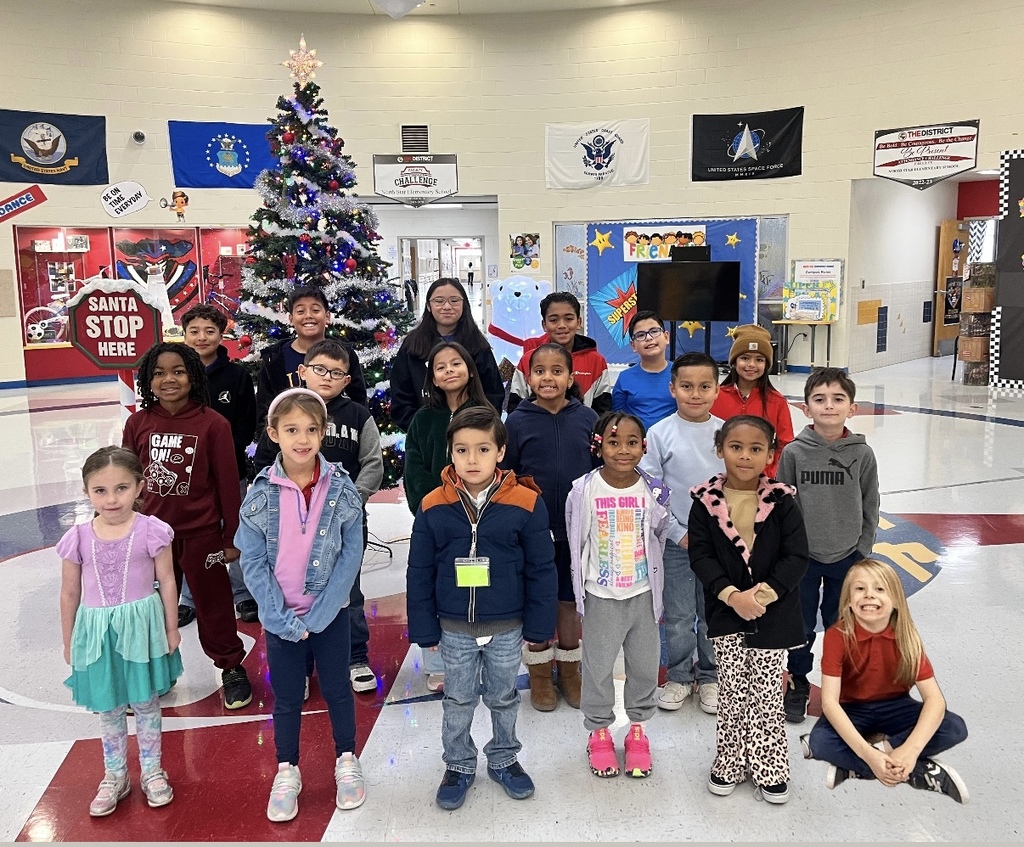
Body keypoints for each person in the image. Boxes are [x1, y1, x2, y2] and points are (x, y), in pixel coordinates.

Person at [406, 406, 557, 811]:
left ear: (500, 452)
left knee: (503, 696)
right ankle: (458, 764)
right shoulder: (433, 504)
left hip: (507, 625)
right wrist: (425, 630)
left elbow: (542, 568)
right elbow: (418, 571)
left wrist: (540, 624)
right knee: (457, 699)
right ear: (450, 454)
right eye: (461, 450)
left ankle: (504, 758)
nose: (472, 460)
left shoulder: (526, 502)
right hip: (454, 626)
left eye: (483, 449)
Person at [236, 388, 368, 822]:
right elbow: (252, 560)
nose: (302, 438)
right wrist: (278, 617)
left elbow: (352, 550)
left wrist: (326, 609)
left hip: (328, 616)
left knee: (336, 689)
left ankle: (346, 758)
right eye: (291, 429)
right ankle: (287, 767)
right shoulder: (258, 495)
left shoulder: (341, 487)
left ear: (323, 432)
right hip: (282, 620)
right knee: (288, 697)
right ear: (274, 433)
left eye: (312, 429)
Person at [122, 342, 253, 710]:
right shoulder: (137, 423)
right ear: (148, 380)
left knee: (214, 605)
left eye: (178, 371)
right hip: (152, 538)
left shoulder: (213, 424)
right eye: (159, 373)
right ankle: (155, 672)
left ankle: (230, 667)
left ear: (193, 377)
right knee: (153, 608)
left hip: (202, 535)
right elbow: (129, 481)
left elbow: (229, 485)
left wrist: (230, 537)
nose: (169, 379)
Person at [687, 415, 809, 805]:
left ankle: (769, 766)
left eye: (756, 449)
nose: (744, 456)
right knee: (733, 693)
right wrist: (732, 596)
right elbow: (702, 557)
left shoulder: (783, 501)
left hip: (774, 616)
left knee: (768, 697)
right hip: (726, 615)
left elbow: (796, 556)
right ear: (720, 449)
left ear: (771, 454)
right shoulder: (705, 502)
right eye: (735, 447)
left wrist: (763, 595)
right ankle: (730, 760)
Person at [254, 340, 385, 695]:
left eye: (337, 373)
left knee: (348, 590)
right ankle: (302, 665)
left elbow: (373, 462)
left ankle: (356, 657)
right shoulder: (284, 413)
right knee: (295, 589)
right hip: (292, 523)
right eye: (320, 369)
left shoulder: (357, 414)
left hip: (343, 521)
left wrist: (350, 501)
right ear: (302, 372)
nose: (328, 377)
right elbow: (265, 463)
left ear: (347, 380)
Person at [58, 446, 182, 817]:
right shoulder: (77, 538)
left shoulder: (152, 531)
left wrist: (171, 628)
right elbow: (69, 592)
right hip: (97, 634)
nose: (111, 499)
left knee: (146, 703)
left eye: (122, 488)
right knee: (110, 707)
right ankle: (114, 774)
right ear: (86, 491)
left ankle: (152, 770)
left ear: (140, 487)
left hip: (142, 631)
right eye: (100, 491)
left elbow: (168, 580)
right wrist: (69, 641)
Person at [803, 559, 969, 803]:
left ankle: (855, 766)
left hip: (897, 706)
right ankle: (918, 773)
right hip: (852, 709)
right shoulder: (837, 636)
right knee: (819, 743)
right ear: (848, 600)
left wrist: (909, 751)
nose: (869, 595)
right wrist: (872, 757)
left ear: (896, 601)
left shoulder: (906, 635)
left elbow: (934, 700)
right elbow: (829, 703)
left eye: (880, 589)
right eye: (860, 589)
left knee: (954, 727)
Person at [566, 412, 670, 779]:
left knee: (644, 666)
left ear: (643, 447)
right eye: (613, 442)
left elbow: (658, 537)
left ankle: (638, 730)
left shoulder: (653, 491)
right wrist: (581, 596)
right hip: (601, 597)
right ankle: (598, 731)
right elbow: (576, 543)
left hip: (643, 597)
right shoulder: (584, 490)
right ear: (598, 446)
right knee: (597, 668)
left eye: (631, 442)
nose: (623, 450)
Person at [776, 367, 879, 724]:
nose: (829, 406)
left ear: (852, 408)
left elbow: (871, 502)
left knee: (841, 624)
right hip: (803, 558)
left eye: (838, 399)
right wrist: (787, 551)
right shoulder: (793, 453)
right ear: (806, 408)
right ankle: (799, 681)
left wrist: (863, 549)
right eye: (819, 399)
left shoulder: (862, 454)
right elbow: (781, 505)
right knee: (800, 625)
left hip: (847, 556)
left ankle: (839, 685)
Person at [502, 343, 598, 711]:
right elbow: (507, 475)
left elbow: (598, 469)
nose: (548, 377)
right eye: (540, 371)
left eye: (557, 371)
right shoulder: (518, 421)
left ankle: (570, 670)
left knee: (569, 598)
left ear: (571, 378)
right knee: (539, 597)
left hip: (577, 527)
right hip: (534, 529)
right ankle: (540, 670)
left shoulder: (586, 418)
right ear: (529, 378)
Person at [640, 352, 724, 715]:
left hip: (720, 543)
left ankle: (709, 676)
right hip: (676, 543)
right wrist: (676, 531)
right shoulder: (659, 434)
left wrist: (722, 532)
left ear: (717, 389)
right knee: (677, 614)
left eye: (705, 386)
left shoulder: (727, 432)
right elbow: (650, 488)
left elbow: (738, 484)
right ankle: (677, 676)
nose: (695, 394)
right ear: (672, 388)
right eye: (686, 386)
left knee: (712, 613)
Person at [178, 303, 259, 627]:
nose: (202, 337)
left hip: (230, 471)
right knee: (190, 533)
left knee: (236, 529)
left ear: (222, 333)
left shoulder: (236, 376)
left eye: (209, 331)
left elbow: (245, 423)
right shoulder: (176, 374)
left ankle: (242, 593)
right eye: (194, 331)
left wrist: (223, 457)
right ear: (184, 335)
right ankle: (188, 597)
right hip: (188, 474)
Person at [390, 277, 504, 432]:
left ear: (464, 304)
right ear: (429, 306)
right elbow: (401, 394)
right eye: (439, 301)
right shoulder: (412, 345)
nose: (447, 306)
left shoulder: (478, 344)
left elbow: (493, 392)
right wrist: (421, 430)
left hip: (472, 434)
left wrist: (478, 428)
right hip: (425, 436)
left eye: (454, 300)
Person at [255, 286, 367, 431]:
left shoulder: (345, 353)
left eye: (315, 310)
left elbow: (359, 400)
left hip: (337, 437)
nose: (308, 316)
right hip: (290, 441)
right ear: (291, 318)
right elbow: (265, 408)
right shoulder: (275, 358)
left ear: (327, 316)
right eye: (300, 311)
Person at [507, 292, 613, 415]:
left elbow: (603, 412)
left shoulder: (596, 362)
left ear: (579, 322)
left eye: (568, 319)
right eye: (554, 320)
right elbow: (515, 409)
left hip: (582, 432)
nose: (562, 325)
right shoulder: (528, 360)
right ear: (544, 325)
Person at [710, 323, 793, 478]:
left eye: (759, 359)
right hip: (720, 481)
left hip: (761, 483)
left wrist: (769, 474)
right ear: (734, 362)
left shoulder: (777, 401)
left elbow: (785, 445)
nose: (751, 365)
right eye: (745, 358)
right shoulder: (715, 397)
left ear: (767, 364)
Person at [611, 310, 677, 433]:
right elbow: (617, 420)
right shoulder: (625, 378)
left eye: (654, 331)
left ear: (666, 337)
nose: (649, 338)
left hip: (673, 444)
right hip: (638, 446)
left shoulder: (680, 374)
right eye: (641, 335)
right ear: (633, 346)